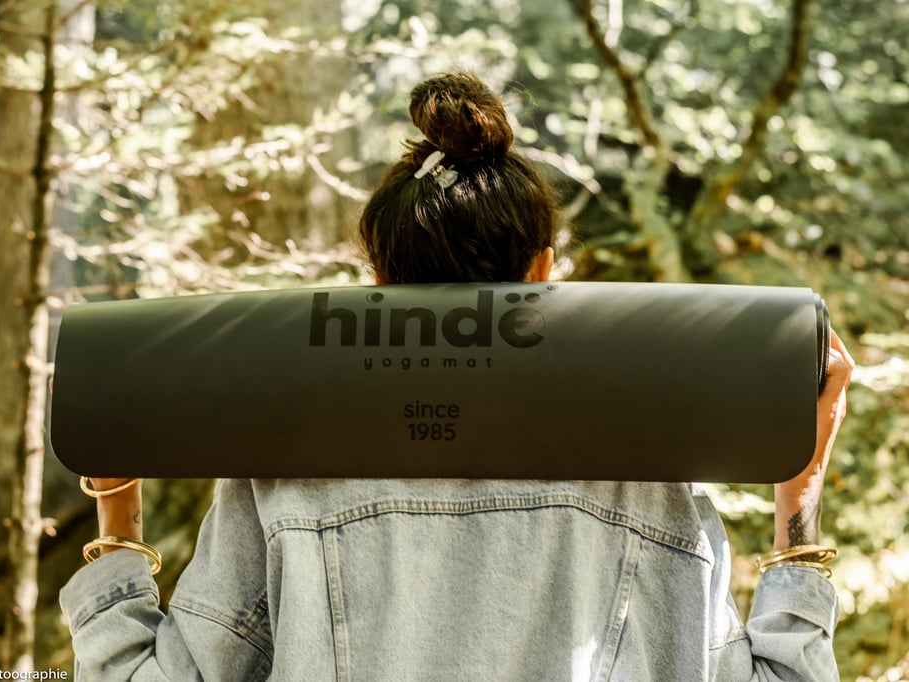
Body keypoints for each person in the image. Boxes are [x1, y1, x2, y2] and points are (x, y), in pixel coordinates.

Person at [60, 72, 855, 681]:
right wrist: (800, 498)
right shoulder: (649, 474)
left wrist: (118, 520)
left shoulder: (285, 470)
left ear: (377, 288)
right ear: (544, 274)